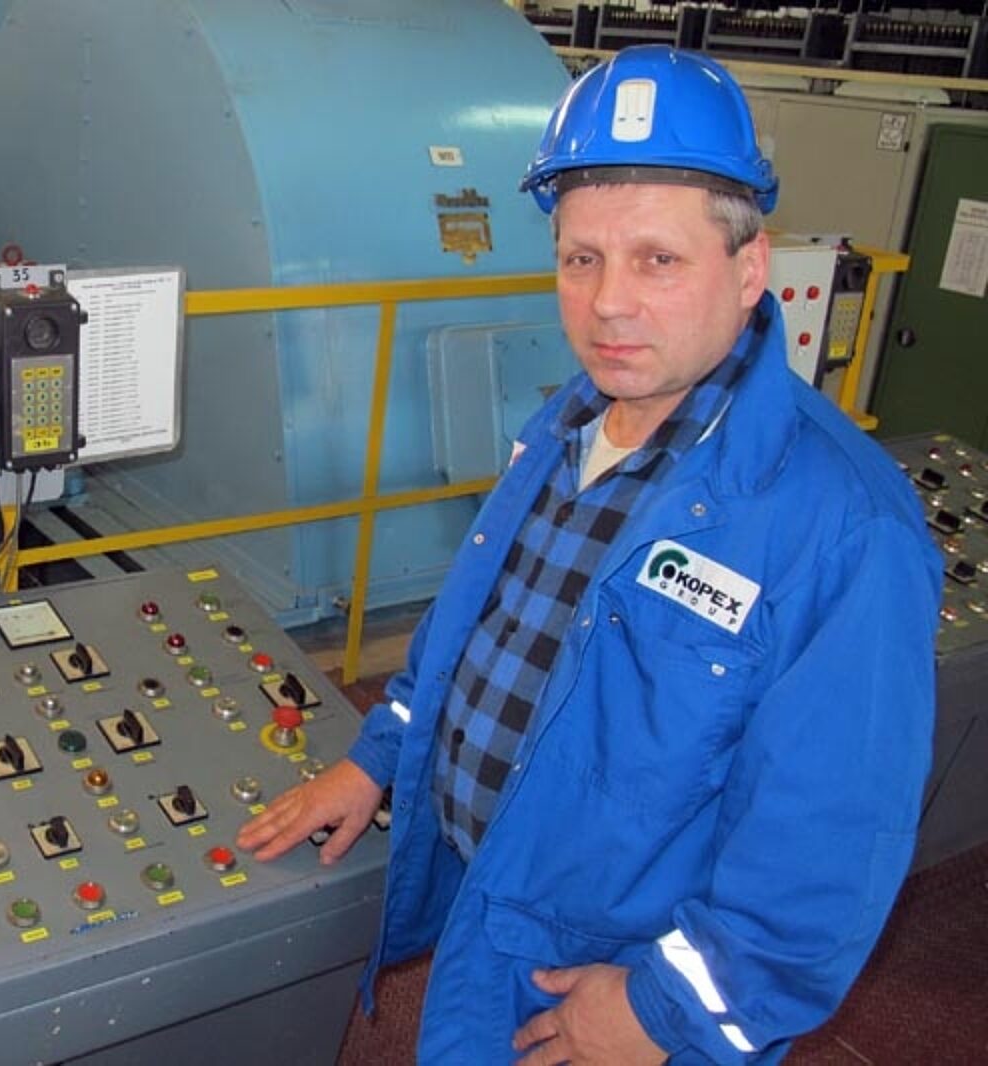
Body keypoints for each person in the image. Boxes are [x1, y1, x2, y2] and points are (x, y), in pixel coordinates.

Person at [237, 45, 940, 1065]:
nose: (609, 302)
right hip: (494, 916)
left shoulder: (839, 526)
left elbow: (824, 845)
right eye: (582, 259)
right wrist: (378, 756)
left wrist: (665, 1013)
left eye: (658, 260)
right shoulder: (568, 423)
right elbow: (478, 631)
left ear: (749, 269)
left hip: (608, 985)